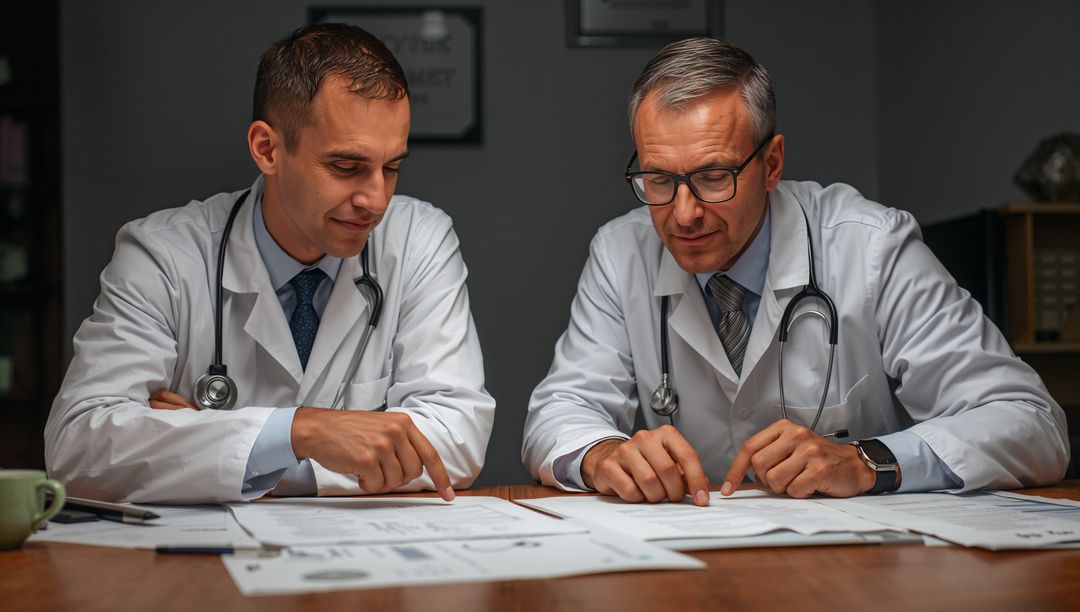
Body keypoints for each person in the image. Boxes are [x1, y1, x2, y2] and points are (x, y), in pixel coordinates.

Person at [522, 37, 1068, 505]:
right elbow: (558, 411)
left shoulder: (871, 247)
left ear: (773, 163)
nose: (683, 214)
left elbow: (1032, 424)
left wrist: (869, 460)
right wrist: (601, 453)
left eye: (713, 176)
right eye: (658, 180)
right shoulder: (622, 252)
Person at [45, 23, 495, 503]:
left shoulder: (418, 240)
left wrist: (219, 445)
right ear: (267, 149)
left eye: (391, 168)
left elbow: (457, 437)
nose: (376, 200)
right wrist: (299, 431)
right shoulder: (162, 255)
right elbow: (77, 446)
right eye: (346, 167)